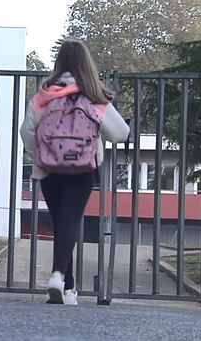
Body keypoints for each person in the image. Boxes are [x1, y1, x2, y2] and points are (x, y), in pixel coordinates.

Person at [20, 40, 129, 305]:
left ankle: (67, 289)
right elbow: (121, 133)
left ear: (59, 63)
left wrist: (44, 153)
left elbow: (26, 132)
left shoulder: (44, 95)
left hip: (49, 169)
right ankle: (58, 276)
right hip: (81, 169)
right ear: (86, 64)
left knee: (61, 223)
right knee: (70, 222)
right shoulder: (93, 95)